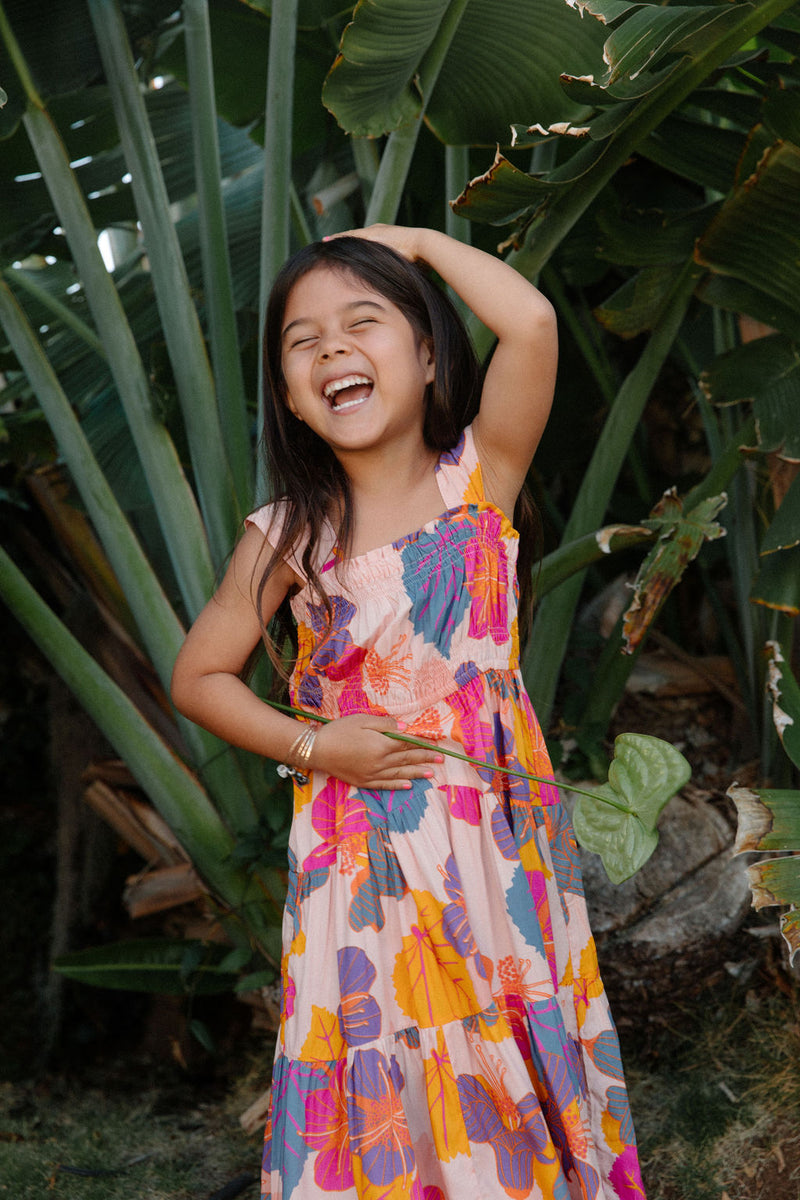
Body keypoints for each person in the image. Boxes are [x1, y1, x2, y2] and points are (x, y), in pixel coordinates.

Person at [171, 225, 645, 1200]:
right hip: (364, 862)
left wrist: (420, 243)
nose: (331, 349)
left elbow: (529, 320)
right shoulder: (290, 534)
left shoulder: (476, 481)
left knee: (505, 1055)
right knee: (389, 1064)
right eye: (302, 344)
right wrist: (315, 744)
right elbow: (199, 676)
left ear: (427, 355)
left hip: (493, 853)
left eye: (362, 323)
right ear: (291, 399)